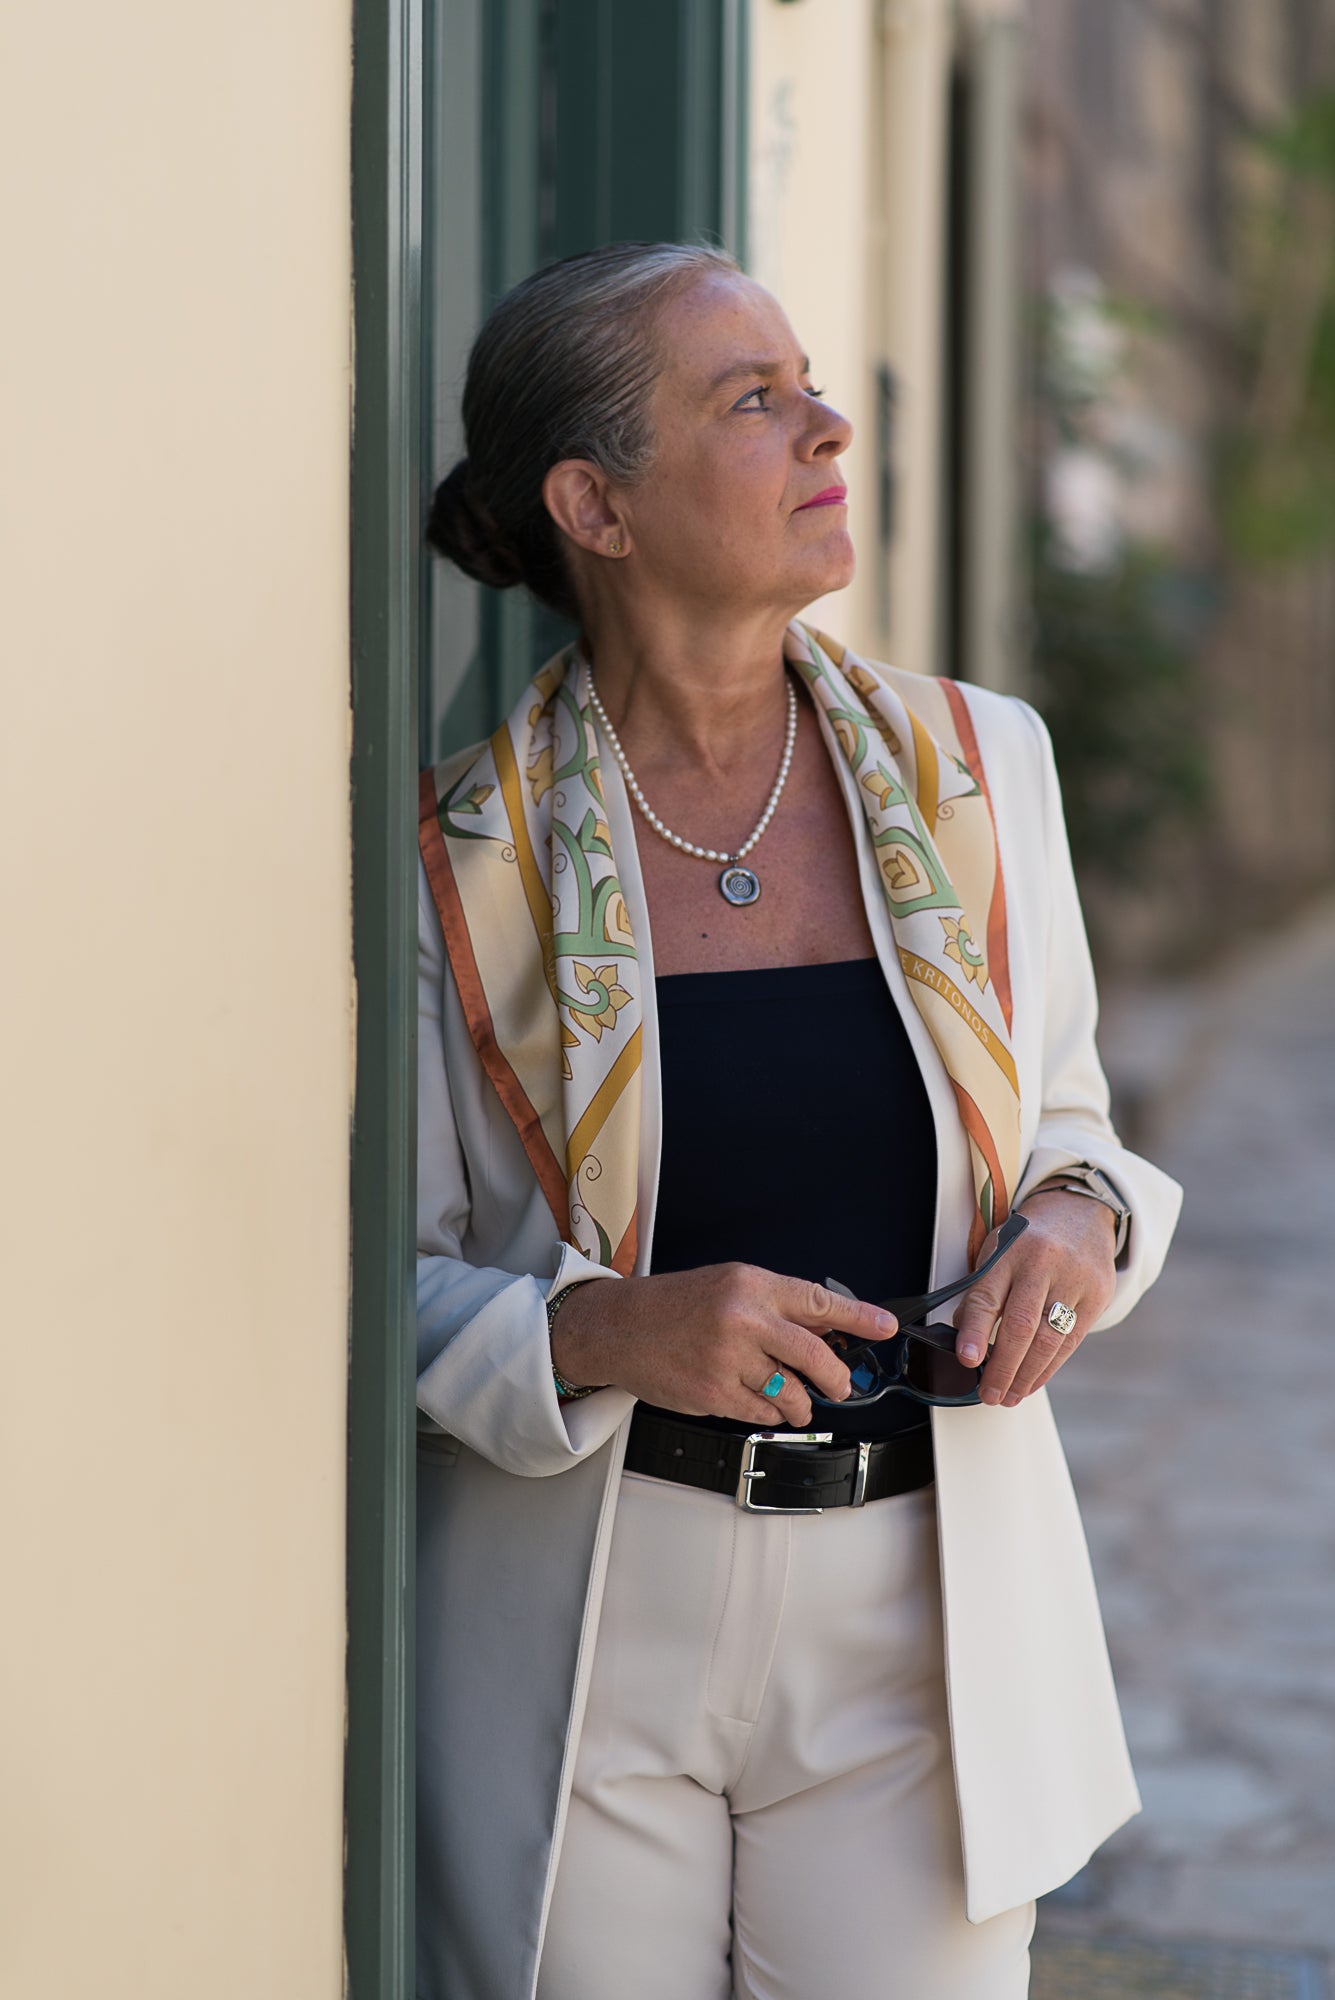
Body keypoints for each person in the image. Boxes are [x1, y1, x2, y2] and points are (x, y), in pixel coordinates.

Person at [415, 240, 1182, 2000]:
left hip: (923, 1615)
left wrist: (1080, 1225)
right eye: (751, 402)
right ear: (595, 506)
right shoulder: (458, 859)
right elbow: (372, 1290)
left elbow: (1076, 1132)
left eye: (806, 383)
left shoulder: (984, 774)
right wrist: (610, 1327)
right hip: (587, 1615)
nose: (827, 426)